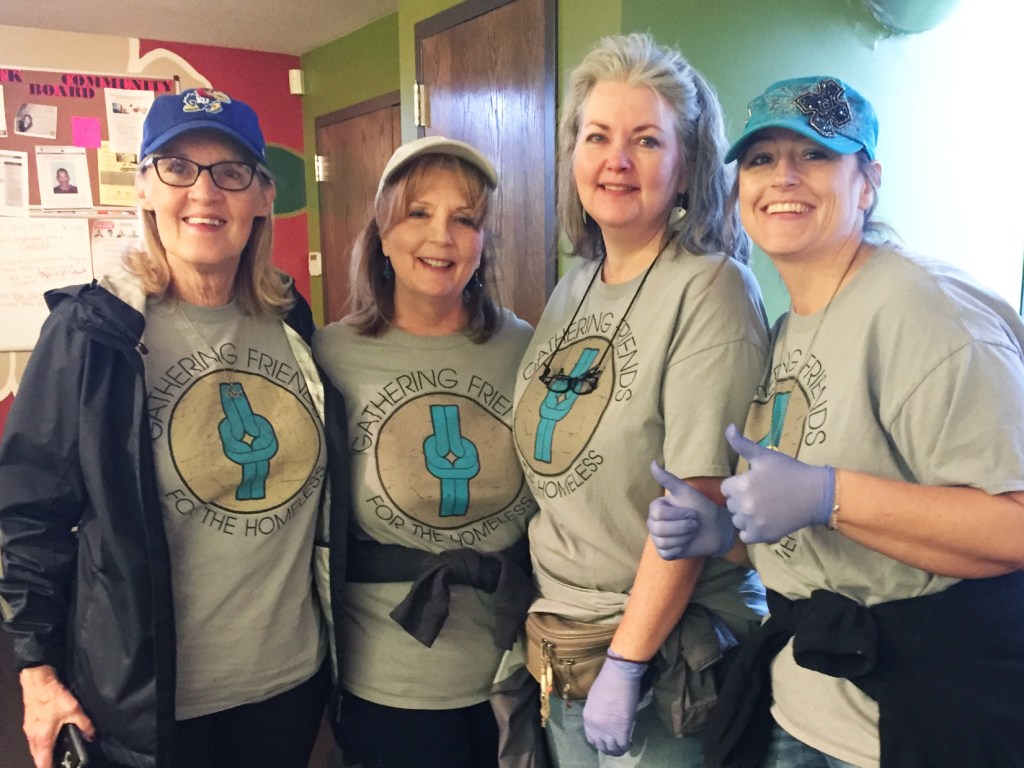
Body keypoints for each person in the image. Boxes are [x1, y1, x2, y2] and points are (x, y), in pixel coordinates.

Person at [647, 76, 1024, 768]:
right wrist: (726, 534)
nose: (783, 176)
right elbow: (827, 541)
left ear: (867, 181)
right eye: (761, 159)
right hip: (801, 707)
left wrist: (829, 493)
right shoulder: (790, 328)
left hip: (904, 728)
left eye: (816, 155)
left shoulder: (924, 310)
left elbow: (1013, 526)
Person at [0, 87, 349, 768]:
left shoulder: (293, 323)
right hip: (148, 700)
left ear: (261, 197)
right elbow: (29, 513)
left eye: (230, 171)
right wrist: (35, 671)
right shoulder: (91, 334)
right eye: (178, 168)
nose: (205, 192)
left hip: (287, 684)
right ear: (147, 189)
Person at [511, 33, 770, 768]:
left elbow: (695, 499)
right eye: (598, 137)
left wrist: (627, 664)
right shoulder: (574, 286)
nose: (615, 160)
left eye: (646, 140)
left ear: (686, 168)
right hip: (566, 643)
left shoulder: (710, 288)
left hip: (663, 659)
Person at [313, 135, 538, 768]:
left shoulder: (525, 347)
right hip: (389, 676)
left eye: (465, 220)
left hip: (514, 662)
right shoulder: (330, 355)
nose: (442, 236)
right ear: (383, 233)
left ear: (483, 242)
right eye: (419, 213)